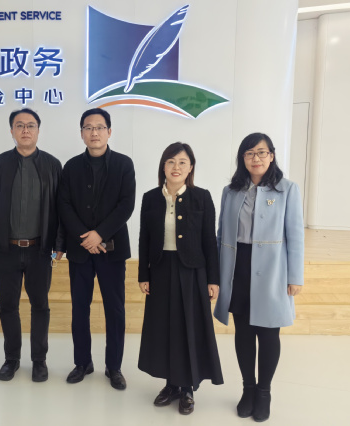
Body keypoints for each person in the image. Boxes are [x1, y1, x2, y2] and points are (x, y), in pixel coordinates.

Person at [214, 132, 304, 422]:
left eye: (262, 152)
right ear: (243, 158)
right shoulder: (231, 191)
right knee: (243, 331)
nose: (256, 158)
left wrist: (295, 276)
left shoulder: (287, 189)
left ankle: (264, 392)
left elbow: (296, 236)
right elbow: (220, 235)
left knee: (268, 333)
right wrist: (216, 274)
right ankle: (248, 389)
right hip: (238, 266)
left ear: (271, 156)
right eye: (250, 153)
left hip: (273, 268)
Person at [137, 142, 223, 415]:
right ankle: (171, 384)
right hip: (161, 269)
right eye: (171, 162)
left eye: (182, 162)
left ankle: (187, 388)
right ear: (163, 166)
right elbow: (144, 238)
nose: (176, 167)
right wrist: (143, 274)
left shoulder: (202, 197)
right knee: (164, 327)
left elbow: (210, 241)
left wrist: (213, 279)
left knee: (189, 328)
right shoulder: (151, 198)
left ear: (190, 167)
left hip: (192, 271)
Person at [0, 108, 64, 382]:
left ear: (38, 130)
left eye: (30, 125)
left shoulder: (52, 165)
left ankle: (39, 360)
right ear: (12, 131)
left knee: (40, 305)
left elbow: (62, 208)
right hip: (7, 249)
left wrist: (59, 243)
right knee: (8, 306)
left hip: (41, 249)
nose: (25, 130)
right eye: (19, 125)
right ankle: (11, 359)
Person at [59, 108, 135, 390]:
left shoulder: (124, 164)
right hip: (80, 251)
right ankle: (82, 363)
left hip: (112, 250)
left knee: (115, 310)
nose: (94, 132)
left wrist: (100, 234)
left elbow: (126, 205)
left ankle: (114, 367)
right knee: (80, 309)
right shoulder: (71, 167)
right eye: (88, 127)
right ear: (81, 133)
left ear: (109, 132)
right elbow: (64, 205)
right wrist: (86, 237)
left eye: (100, 127)